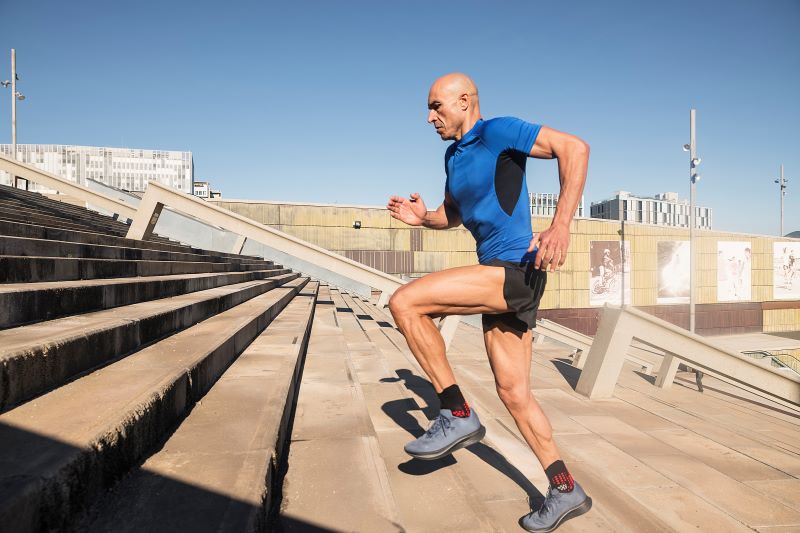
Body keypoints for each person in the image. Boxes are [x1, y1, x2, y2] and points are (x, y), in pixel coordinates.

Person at [386, 73, 591, 532]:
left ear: (465, 101)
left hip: (515, 269)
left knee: (405, 303)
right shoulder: (452, 157)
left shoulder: (496, 131)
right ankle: (564, 487)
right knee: (514, 393)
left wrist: (561, 225)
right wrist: (422, 219)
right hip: (500, 277)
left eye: (437, 106)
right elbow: (453, 215)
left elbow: (574, 148)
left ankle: (456, 412)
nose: (430, 116)